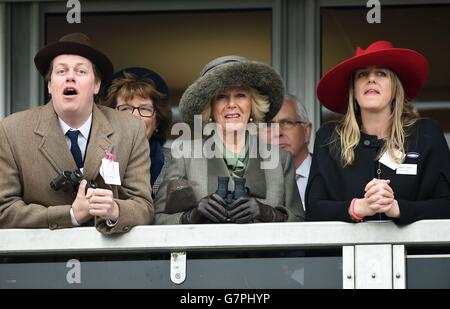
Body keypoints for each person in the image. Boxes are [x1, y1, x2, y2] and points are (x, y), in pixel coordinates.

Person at [0, 33, 153, 234]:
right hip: (40, 262)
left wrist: (115, 210)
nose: (70, 76)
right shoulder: (12, 130)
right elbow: (4, 210)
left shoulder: (130, 129)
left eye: (81, 71)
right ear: (49, 85)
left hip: (110, 260)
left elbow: (144, 207)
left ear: (96, 85)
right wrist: (70, 215)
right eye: (61, 71)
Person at [306, 40, 450, 224]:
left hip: (413, 252)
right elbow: (314, 210)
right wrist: (358, 207)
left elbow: (446, 205)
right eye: (362, 74)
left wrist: (397, 208)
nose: (371, 79)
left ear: (395, 88)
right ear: (353, 90)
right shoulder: (330, 137)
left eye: (381, 73)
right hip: (345, 252)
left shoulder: (425, 134)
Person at [154, 55, 304, 224]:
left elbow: (299, 219)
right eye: (221, 96)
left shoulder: (281, 159)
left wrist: (270, 214)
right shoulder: (185, 156)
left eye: (240, 95)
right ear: (210, 107)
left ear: (253, 104)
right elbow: (159, 219)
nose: (231, 104)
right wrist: (190, 216)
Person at [101, 67, 172, 199]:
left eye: (144, 109)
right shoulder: (95, 158)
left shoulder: (176, 163)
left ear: (157, 121)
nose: (134, 117)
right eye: (126, 108)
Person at [269, 94, 312, 207]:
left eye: (287, 122)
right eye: (269, 125)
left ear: (307, 131)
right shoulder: (252, 180)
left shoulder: (329, 173)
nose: (277, 133)